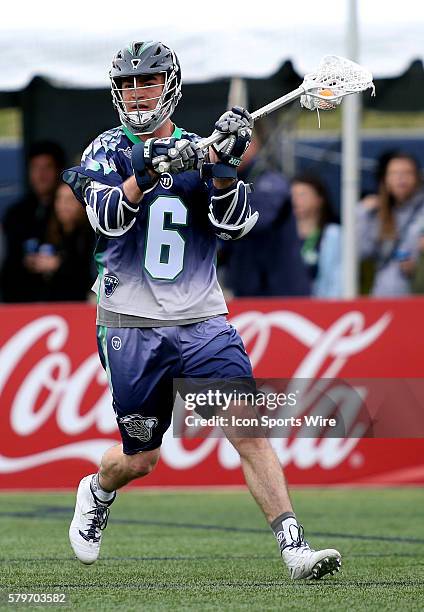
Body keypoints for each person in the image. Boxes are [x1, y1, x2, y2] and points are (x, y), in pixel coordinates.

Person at [63, 40, 341, 580]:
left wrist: (224, 166)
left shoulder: (201, 147)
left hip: (201, 321)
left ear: (170, 86)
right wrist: (146, 173)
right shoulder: (104, 150)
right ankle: (97, 489)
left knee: (248, 431)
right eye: (128, 85)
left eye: (147, 82)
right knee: (140, 459)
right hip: (130, 323)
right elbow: (107, 218)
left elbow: (235, 224)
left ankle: (294, 548)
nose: (138, 94)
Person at [223, 133, 311, 297]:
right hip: (248, 288)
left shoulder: (270, 181)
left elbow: (257, 220)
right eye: (224, 144)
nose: (229, 149)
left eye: (237, 143)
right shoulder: (227, 181)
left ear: (253, 146)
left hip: (282, 289)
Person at [1, 141, 65, 302]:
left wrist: (59, 264)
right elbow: (8, 263)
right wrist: (25, 261)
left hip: (64, 300)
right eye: (35, 168)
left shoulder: (71, 210)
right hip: (22, 301)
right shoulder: (15, 213)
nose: (41, 175)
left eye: (47, 167)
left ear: (58, 170)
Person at [357, 152, 424, 296]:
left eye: (407, 173)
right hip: (384, 295)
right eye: (394, 173)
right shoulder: (377, 212)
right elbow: (362, 251)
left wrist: (419, 267)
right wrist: (362, 214)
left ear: (417, 177)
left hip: (417, 295)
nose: (400, 178)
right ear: (385, 179)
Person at [21, 183, 95, 301]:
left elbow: (89, 274)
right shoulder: (47, 231)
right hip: (49, 306)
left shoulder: (92, 235)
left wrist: (58, 265)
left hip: (80, 306)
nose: (63, 205)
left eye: (70, 199)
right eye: (59, 198)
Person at [291, 173, 342, 298]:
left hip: (321, 308)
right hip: (287, 309)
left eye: (302, 194)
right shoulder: (282, 236)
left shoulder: (334, 234)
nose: (295, 200)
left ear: (319, 199)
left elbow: (338, 281)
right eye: (292, 195)